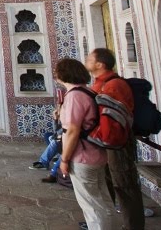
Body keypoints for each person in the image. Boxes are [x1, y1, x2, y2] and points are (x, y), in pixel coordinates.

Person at [86, 48, 149, 229]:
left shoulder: (114, 85)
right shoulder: (100, 83)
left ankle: (133, 226)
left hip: (116, 143)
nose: (87, 60)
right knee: (106, 183)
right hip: (102, 142)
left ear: (100, 64)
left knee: (124, 184)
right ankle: (106, 221)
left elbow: (115, 117)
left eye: (90, 58)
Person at [56, 58, 117, 230]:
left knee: (92, 206)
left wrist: (65, 159)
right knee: (103, 201)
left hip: (82, 156)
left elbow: (73, 130)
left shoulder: (75, 96)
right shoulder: (88, 92)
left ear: (63, 74)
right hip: (95, 154)